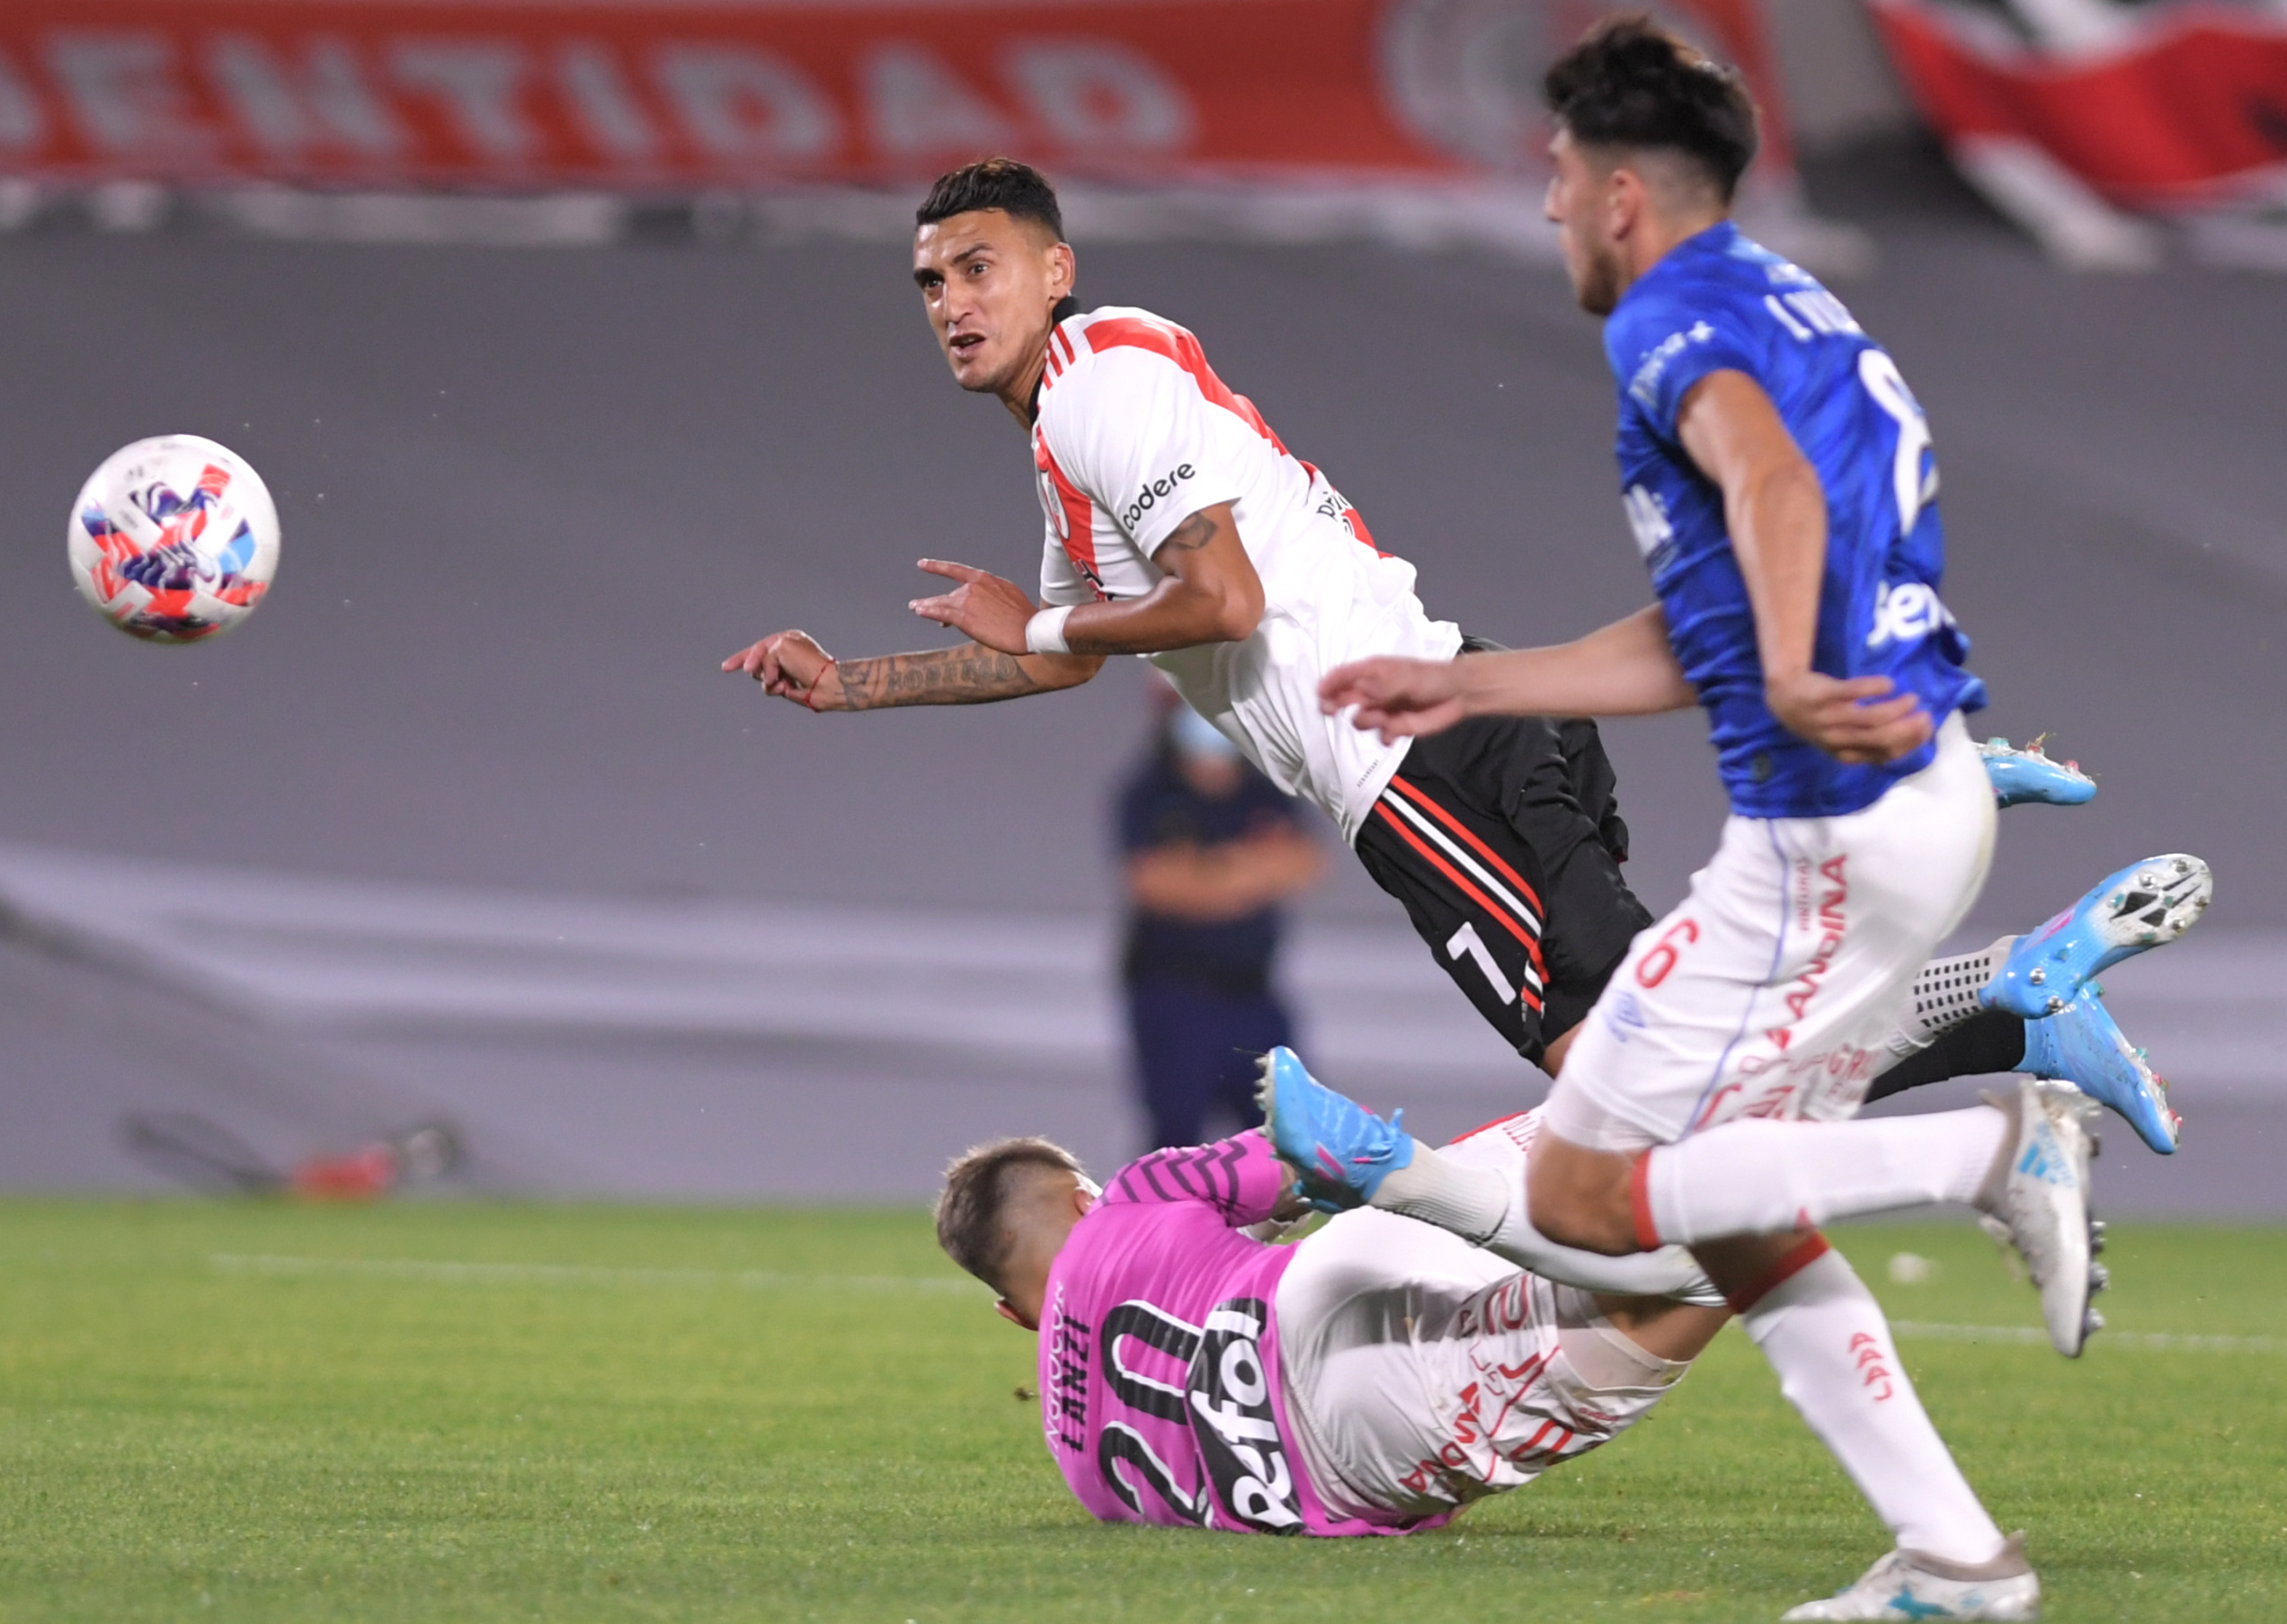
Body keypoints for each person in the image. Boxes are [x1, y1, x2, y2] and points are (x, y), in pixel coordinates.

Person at [715, 155, 2195, 1164]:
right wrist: (854, 680)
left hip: (1414, 763)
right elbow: (1071, 659)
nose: (950, 302)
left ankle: (1937, 898)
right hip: (1462, 721)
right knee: (1662, 1099)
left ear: (1052, 270)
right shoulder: (1089, 404)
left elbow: (1215, 604)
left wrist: (1037, 619)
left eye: (976, 268)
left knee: (1639, 1113)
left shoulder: (1095, 394)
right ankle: (1976, 949)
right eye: (927, 282)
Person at [1293, 18, 2208, 1618]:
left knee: (1589, 1203)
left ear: (1628, 193)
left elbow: (1772, 493)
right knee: (1717, 1202)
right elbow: (1697, 617)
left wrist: (1785, 679)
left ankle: (1983, 1142)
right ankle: (1950, 1557)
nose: (1550, 210)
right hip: (1899, 795)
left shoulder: (1670, 316)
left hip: (1824, 825)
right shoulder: (1798, 308)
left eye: (1562, 178)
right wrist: (1477, 684)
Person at [933, 1114, 1734, 1544]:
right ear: (1080, 1195)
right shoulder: (1127, 1199)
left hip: (1346, 1467)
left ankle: (1746, 1215)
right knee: (1619, 1128)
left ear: (1014, 1315)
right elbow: (1310, 1156)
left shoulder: (1076, 1464)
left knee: (1713, 1261)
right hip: (1321, 1290)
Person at [1117, 695, 1324, 1149]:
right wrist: (1252, 872)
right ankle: (1169, 1222)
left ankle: (1271, 1220)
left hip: (1254, 991)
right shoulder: (1149, 792)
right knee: (1175, 1136)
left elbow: (1303, 863)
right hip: (1172, 993)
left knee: (1290, 1128)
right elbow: (1158, 885)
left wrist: (1206, 872)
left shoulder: (1266, 788)